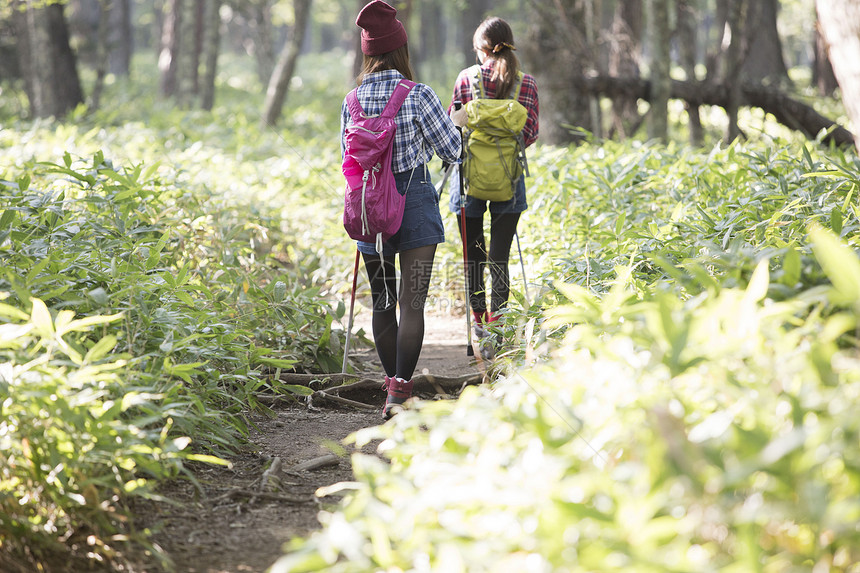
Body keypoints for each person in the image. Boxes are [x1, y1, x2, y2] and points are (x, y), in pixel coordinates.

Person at [341, 0, 461, 419]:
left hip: (369, 211)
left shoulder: (352, 100)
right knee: (413, 303)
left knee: (382, 301)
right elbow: (452, 149)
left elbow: (348, 156)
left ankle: (389, 381)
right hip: (413, 208)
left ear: (367, 51)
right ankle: (399, 394)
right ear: (401, 50)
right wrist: (453, 127)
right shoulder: (419, 94)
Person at [448, 16, 539, 352]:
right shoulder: (525, 83)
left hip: (468, 179)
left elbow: (452, 125)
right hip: (510, 180)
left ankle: (477, 325)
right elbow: (530, 133)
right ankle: (498, 328)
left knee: (473, 255)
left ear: (481, 49)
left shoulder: (465, 79)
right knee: (499, 255)